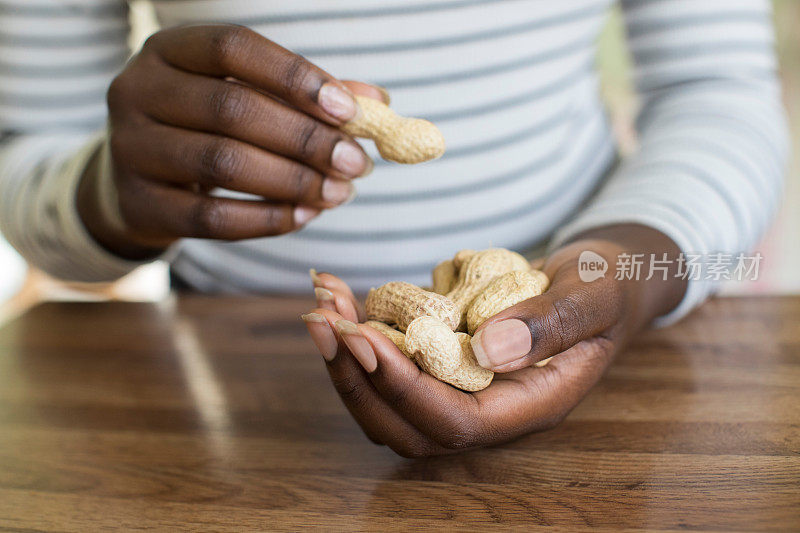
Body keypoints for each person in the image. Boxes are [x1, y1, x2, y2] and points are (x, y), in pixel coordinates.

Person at [0, 1, 788, 456]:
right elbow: (29, 155)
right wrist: (107, 189)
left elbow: (716, 86)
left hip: (607, 355)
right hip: (225, 398)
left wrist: (629, 263)